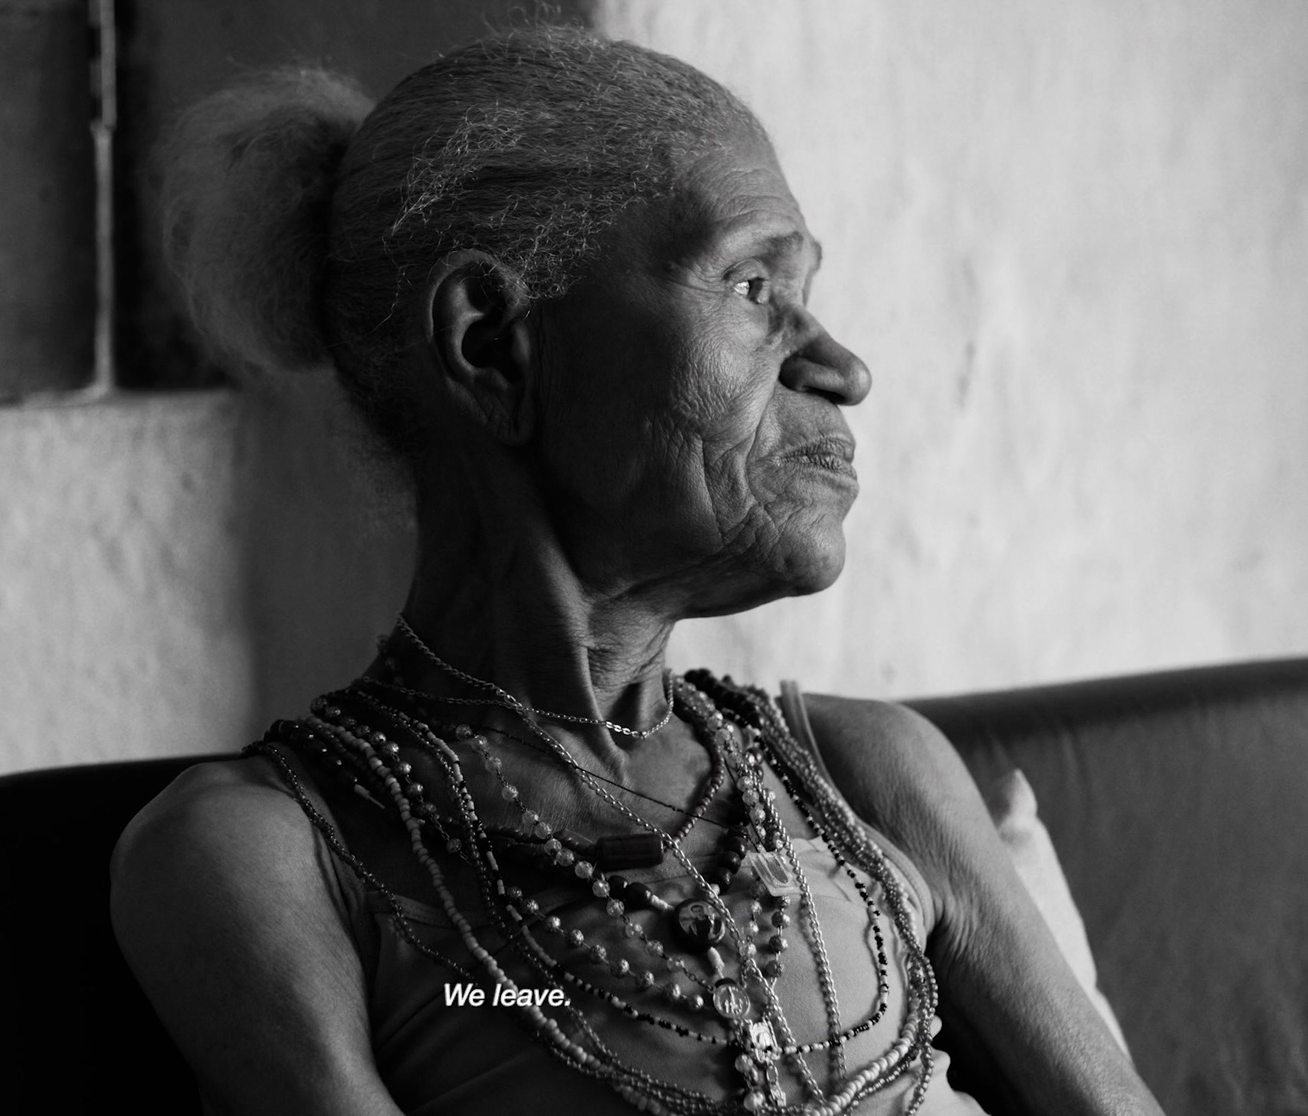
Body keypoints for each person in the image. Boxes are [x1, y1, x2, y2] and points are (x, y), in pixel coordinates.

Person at [110, 28, 1163, 1116]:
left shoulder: (863, 768)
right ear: (492, 346)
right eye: (754, 285)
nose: (842, 369)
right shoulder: (266, 850)